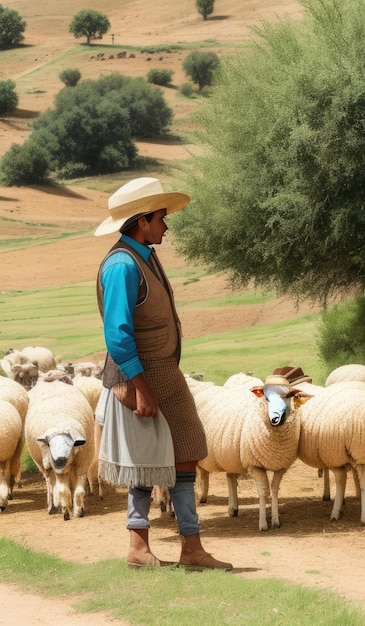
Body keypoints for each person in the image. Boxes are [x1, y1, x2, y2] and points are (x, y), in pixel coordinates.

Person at [94, 176, 233, 571]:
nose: (166, 225)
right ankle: (139, 548)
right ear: (142, 220)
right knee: (145, 459)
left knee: (186, 450)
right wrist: (141, 388)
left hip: (163, 372)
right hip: (143, 373)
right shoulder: (122, 265)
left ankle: (190, 547)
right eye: (161, 217)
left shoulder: (141, 255)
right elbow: (118, 336)